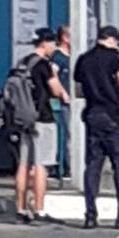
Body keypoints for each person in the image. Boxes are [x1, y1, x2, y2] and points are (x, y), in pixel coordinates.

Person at [74, 26, 119, 230]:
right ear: (112, 40)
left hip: (93, 115)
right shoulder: (114, 57)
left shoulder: (84, 59)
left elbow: (78, 90)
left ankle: (90, 215)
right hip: (114, 115)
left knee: (93, 167)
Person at [15, 28, 69, 224]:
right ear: (45, 43)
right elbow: (55, 91)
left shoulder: (22, 63)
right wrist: (61, 88)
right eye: (52, 43)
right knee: (41, 165)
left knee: (23, 165)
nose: (54, 47)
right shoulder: (44, 65)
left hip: (24, 119)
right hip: (42, 117)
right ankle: (39, 209)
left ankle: (20, 208)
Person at [50, 25, 71, 178]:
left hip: (75, 101)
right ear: (65, 37)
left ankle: (72, 163)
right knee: (67, 133)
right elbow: (53, 73)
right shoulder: (58, 56)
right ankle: (65, 165)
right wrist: (62, 92)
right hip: (63, 102)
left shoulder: (73, 55)